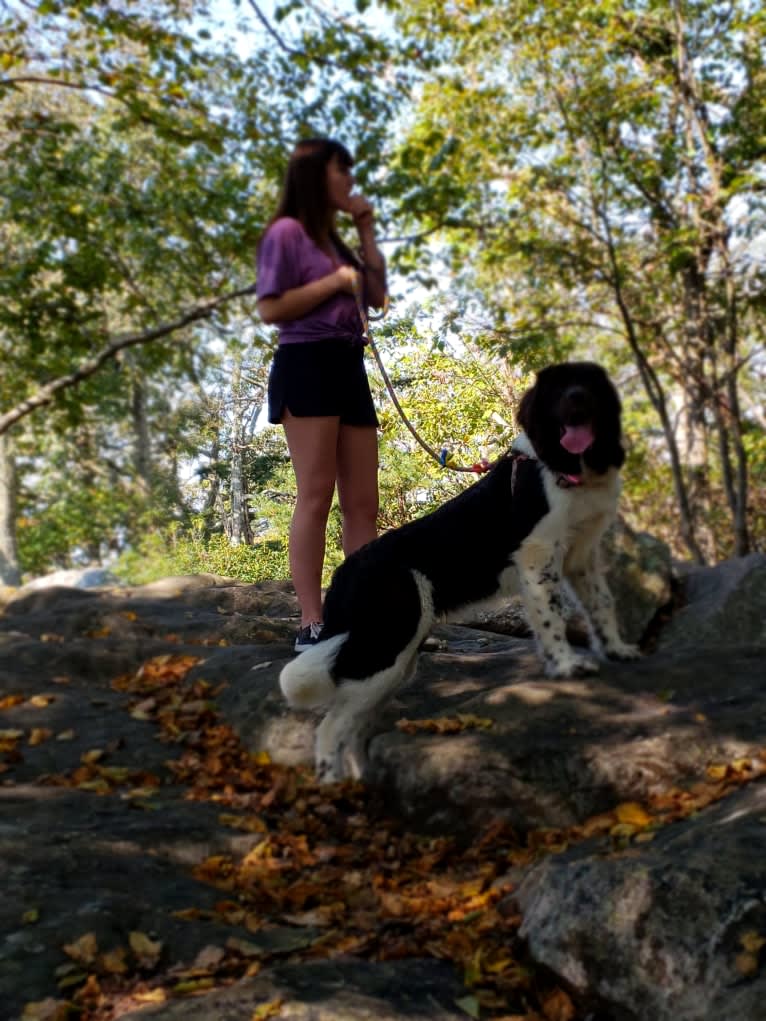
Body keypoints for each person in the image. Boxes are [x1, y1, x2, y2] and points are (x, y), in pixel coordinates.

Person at [256, 137, 387, 651]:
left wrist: (366, 228)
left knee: (364, 503)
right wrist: (334, 283)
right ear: (316, 175)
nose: (350, 180)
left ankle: (359, 612)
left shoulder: (338, 242)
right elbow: (271, 309)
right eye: (342, 170)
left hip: (348, 365)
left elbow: (376, 296)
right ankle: (312, 621)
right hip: (306, 362)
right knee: (316, 492)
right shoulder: (286, 233)